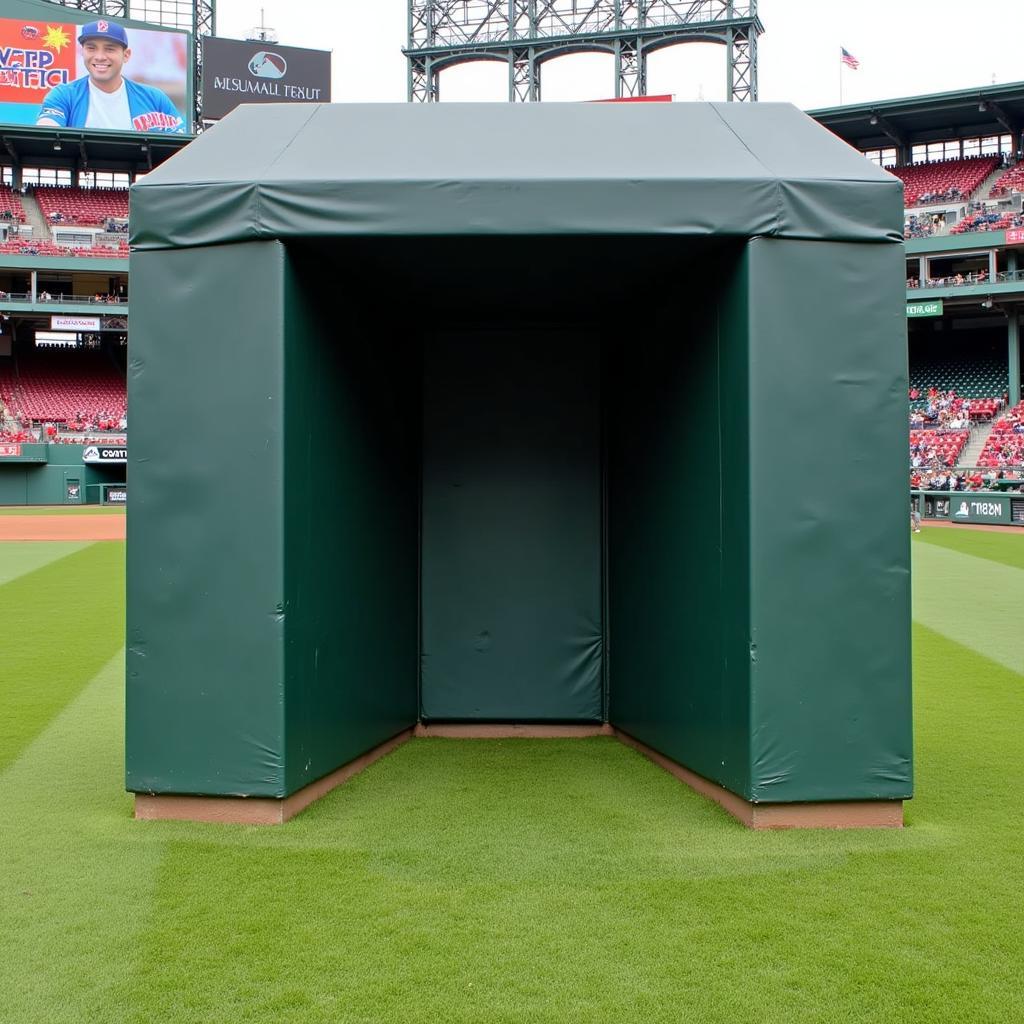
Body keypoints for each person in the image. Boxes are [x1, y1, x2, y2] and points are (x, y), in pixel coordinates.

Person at [36, 21, 185, 134]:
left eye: (109, 49)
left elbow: (180, 144)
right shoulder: (64, 94)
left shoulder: (155, 98)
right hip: (80, 173)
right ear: (82, 52)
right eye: (91, 48)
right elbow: (46, 132)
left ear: (126, 55)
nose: (100, 57)